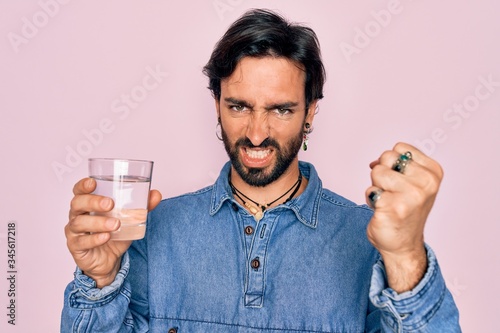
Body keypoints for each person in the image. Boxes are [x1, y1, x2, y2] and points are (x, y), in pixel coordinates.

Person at [61, 9, 461, 332]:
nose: (255, 134)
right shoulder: (154, 230)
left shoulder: (370, 240)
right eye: (239, 107)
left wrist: (407, 255)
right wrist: (99, 281)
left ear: (310, 112)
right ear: (216, 104)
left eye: (281, 110)